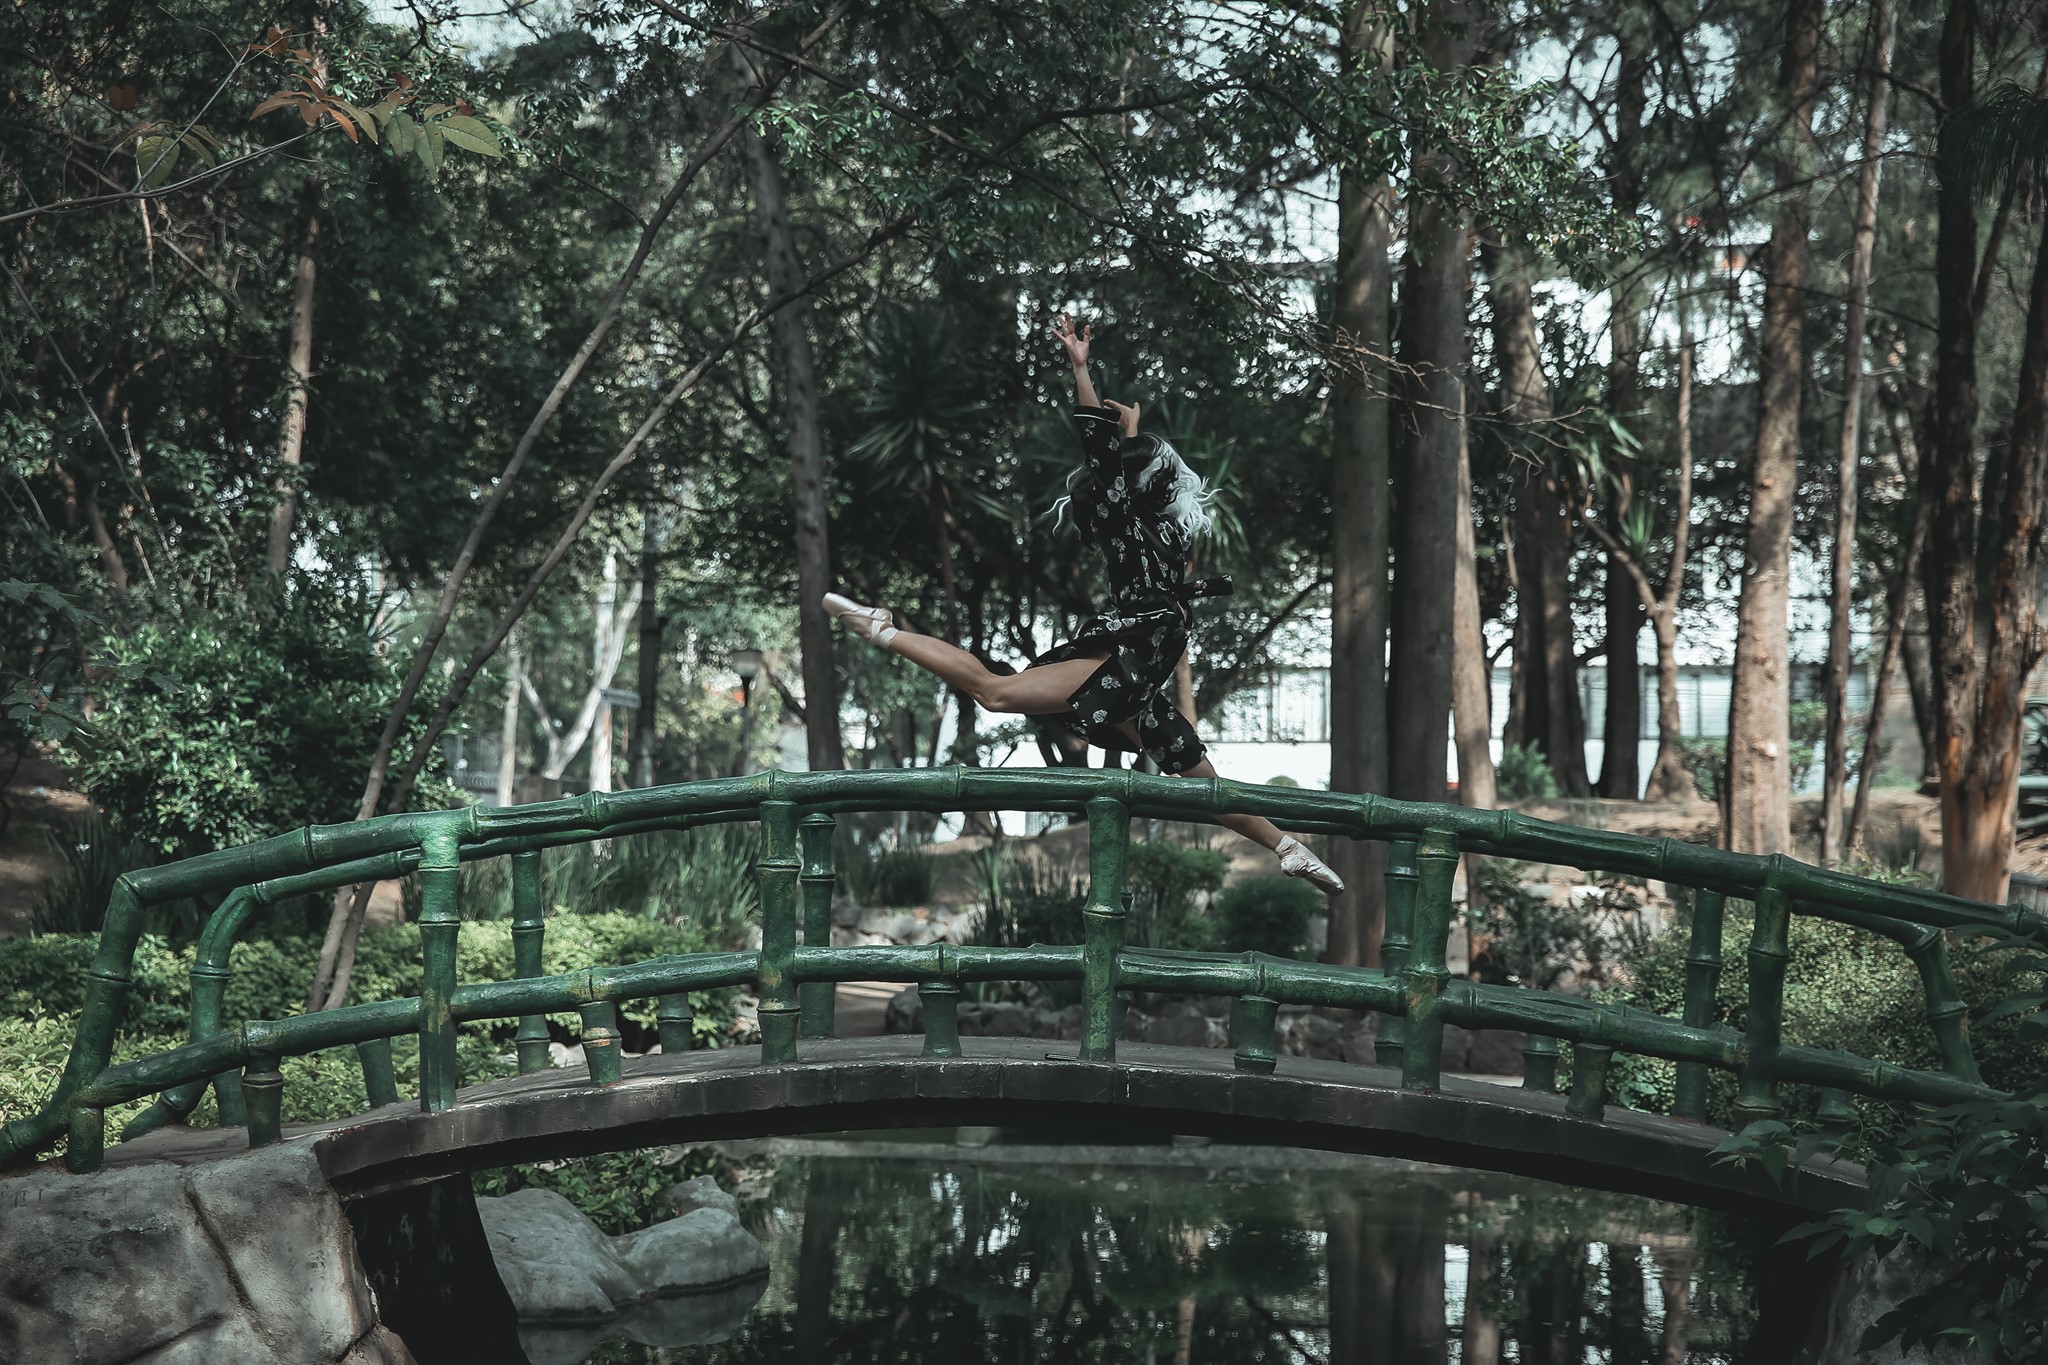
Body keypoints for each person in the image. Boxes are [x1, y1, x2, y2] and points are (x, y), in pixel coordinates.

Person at [822, 313, 1343, 895]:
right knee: (995, 693)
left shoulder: (1166, 533)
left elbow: (1116, 460)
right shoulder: (1127, 525)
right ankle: (881, 628)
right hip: (1123, 662)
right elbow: (1101, 452)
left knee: (1203, 780)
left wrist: (1129, 431)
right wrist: (1081, 371)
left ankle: (1287, 847)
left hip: (1141, 674)